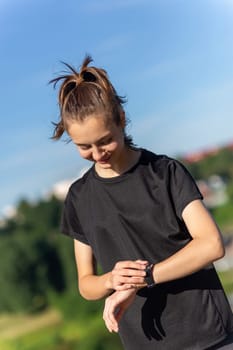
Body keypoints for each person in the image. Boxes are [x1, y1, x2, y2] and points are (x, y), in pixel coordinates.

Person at [50, 55, 233, 349]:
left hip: (208, 335)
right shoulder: (79, 198)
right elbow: (86, 284)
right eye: (84, 146)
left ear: (121, 119)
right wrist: (111, 280)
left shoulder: (165, 172)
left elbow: (211, 244)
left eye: (105, 140)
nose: (97, 154)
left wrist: (145, 278)